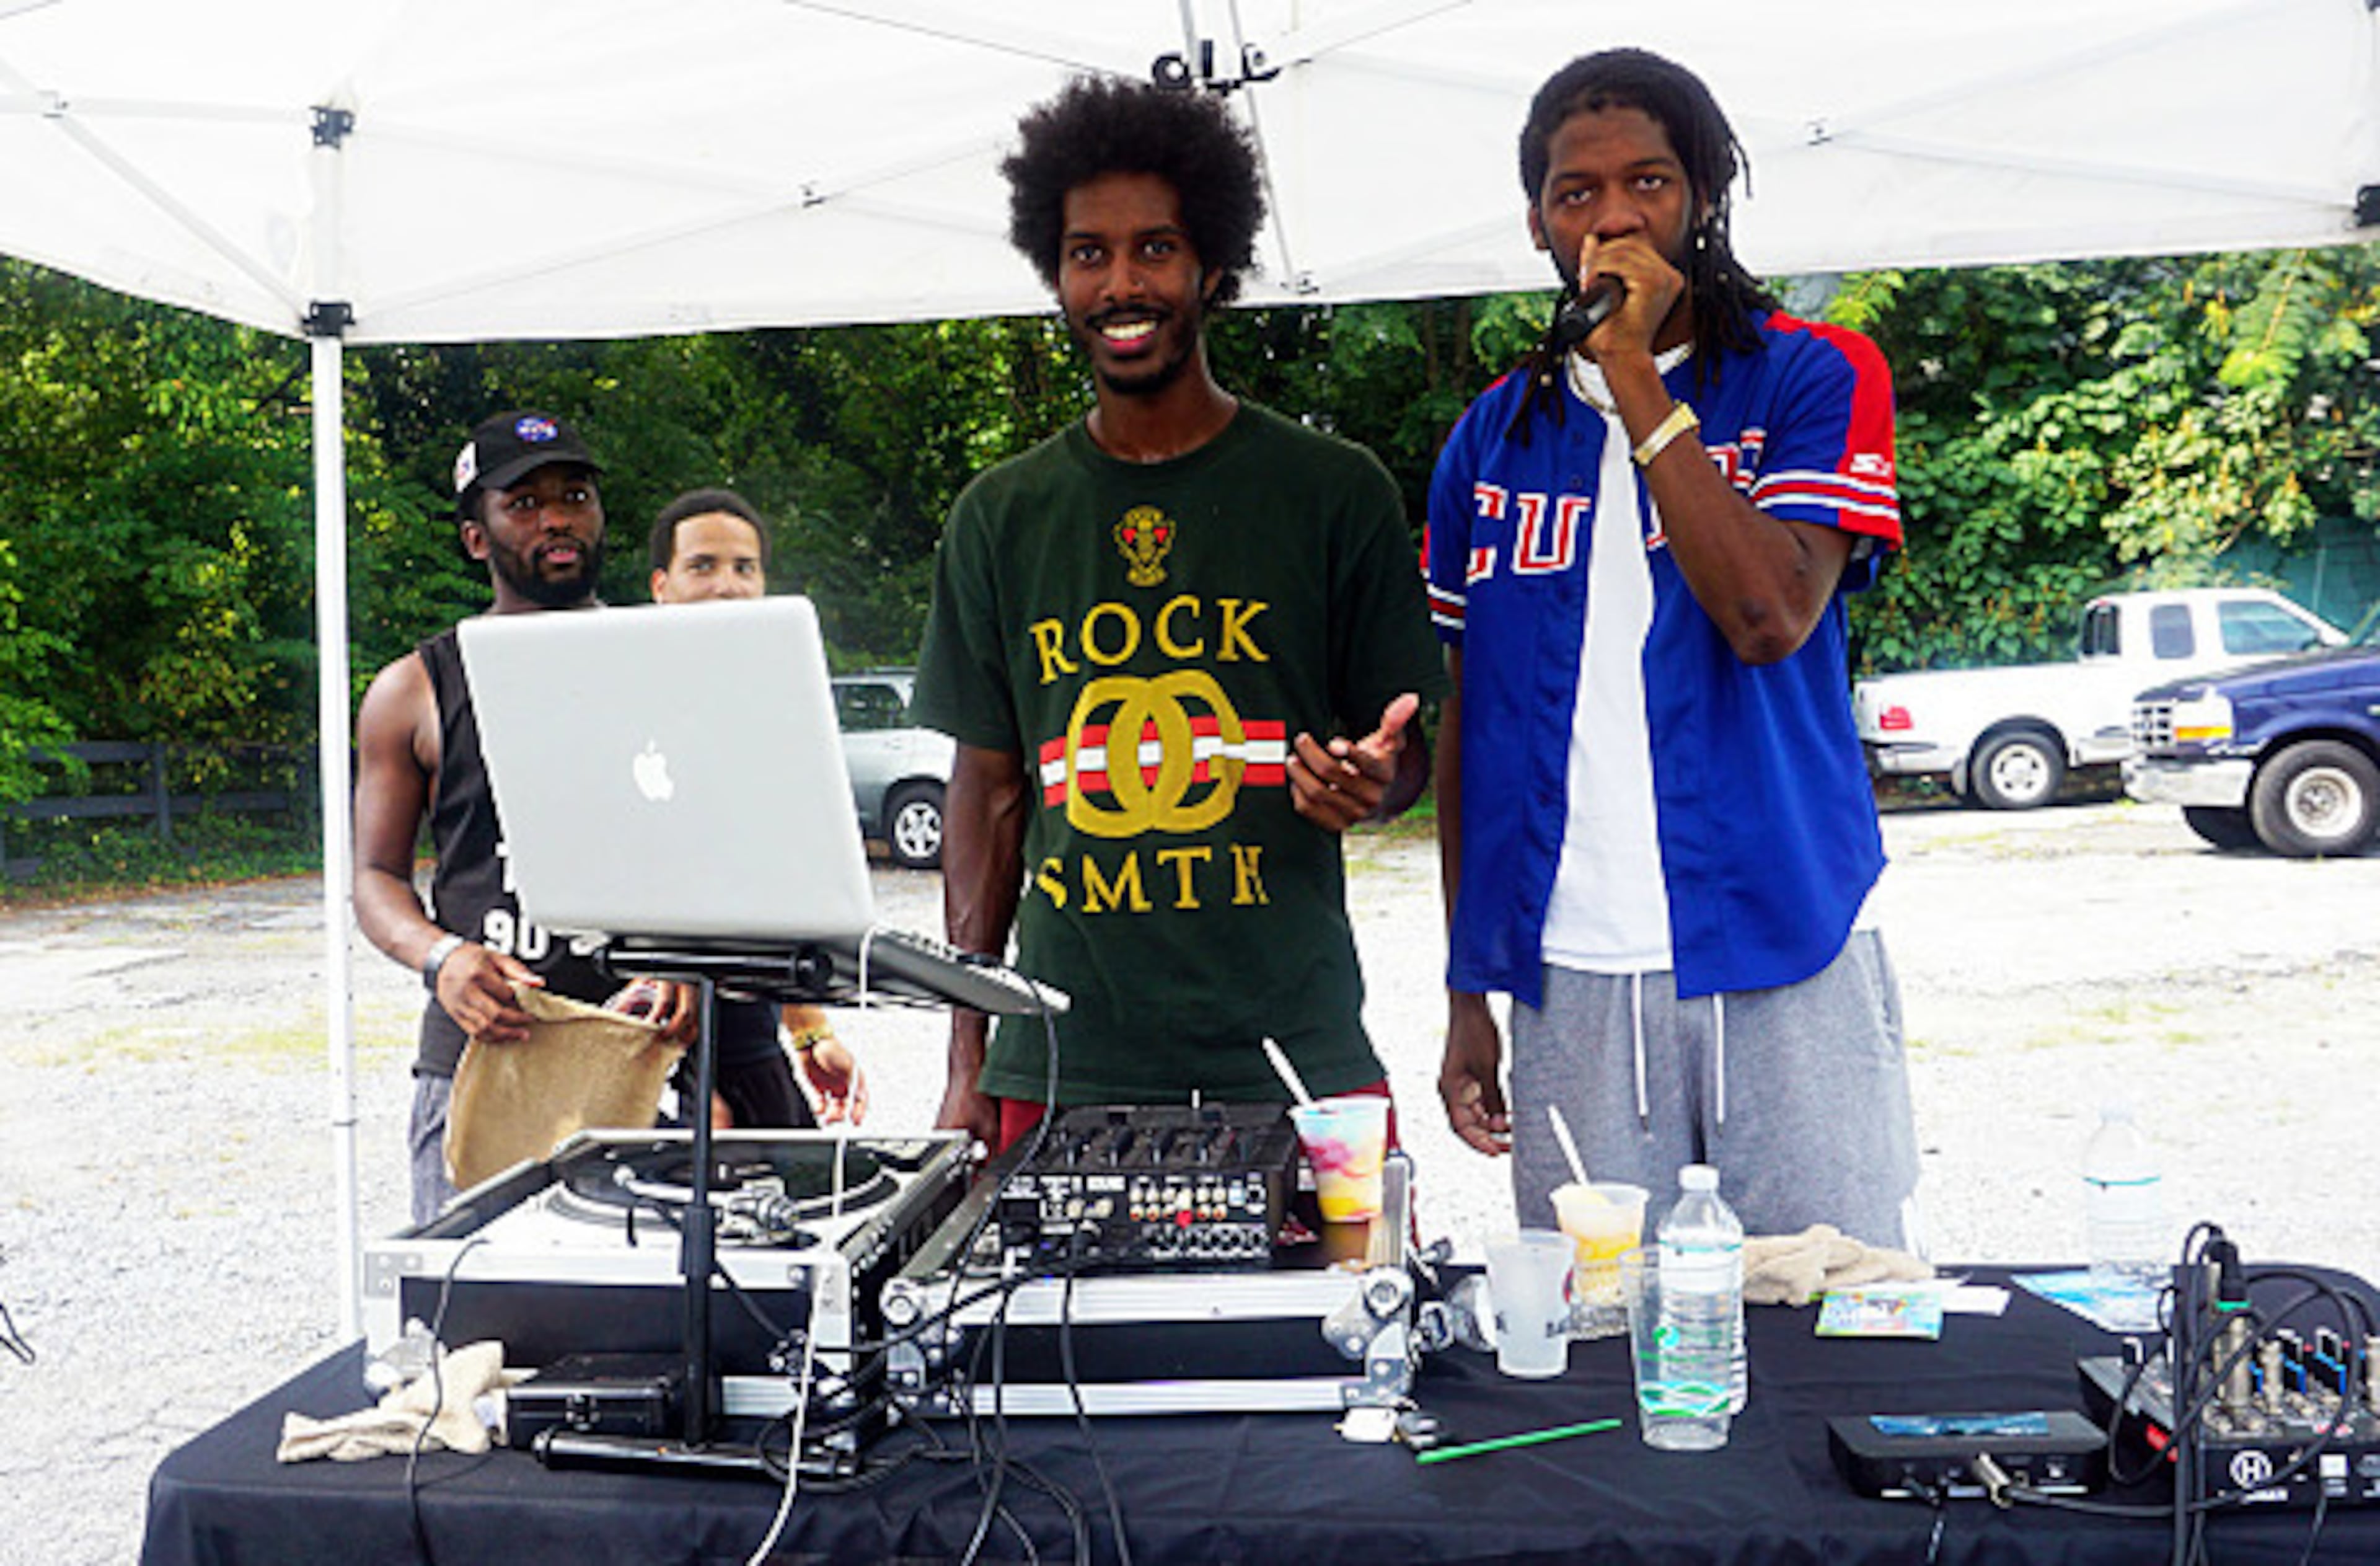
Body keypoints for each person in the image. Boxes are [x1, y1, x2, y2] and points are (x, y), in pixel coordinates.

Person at [1427, 49, 1921, 1247]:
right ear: (1540, 223)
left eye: (1647, 182)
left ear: (1703, 195)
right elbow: (1469, 724)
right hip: (1571, 972)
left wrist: (1636, 377)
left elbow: (1768, 617)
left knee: (1826, 1295)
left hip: (1786, 941)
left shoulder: (1814, 372)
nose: (1614, 219)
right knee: (1597, 1324)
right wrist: (1467, 990)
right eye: (1575, 193)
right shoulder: (1490, 439)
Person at [912, 77, 1447, 1151]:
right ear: (1057, 273)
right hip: (1059, 1060)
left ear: (1212, 265)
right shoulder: (999, 516)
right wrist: (966, 1059)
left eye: (1155, 249)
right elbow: (990, 795)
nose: (1122, 283)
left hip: (1295, 1050)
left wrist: (1372, 781)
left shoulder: (1331, 490)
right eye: (1089, 254)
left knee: (1352, 1274)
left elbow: (1404, 758)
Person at [355, 409, 641, 1224]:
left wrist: (692, 971)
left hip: (644, 1051)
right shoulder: (415, 687)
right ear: (476, 538)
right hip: (486, 1052)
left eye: (575, 496)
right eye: (524, 504)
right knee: (475, 1297)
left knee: (654, 1300)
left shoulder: (661, 661)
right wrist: (442, 957)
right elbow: (374, 877)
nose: (556, 518)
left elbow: (724, 853)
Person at [645, 486, 866, 1129]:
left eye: (745, 568)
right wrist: (688, 1079)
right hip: (651, 1041)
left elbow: (775, 887)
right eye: (703, 566)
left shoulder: (775, 709)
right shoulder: (622, 702)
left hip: (751, 1037)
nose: (728, 585)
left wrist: (810, 1030)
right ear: (662, 586)